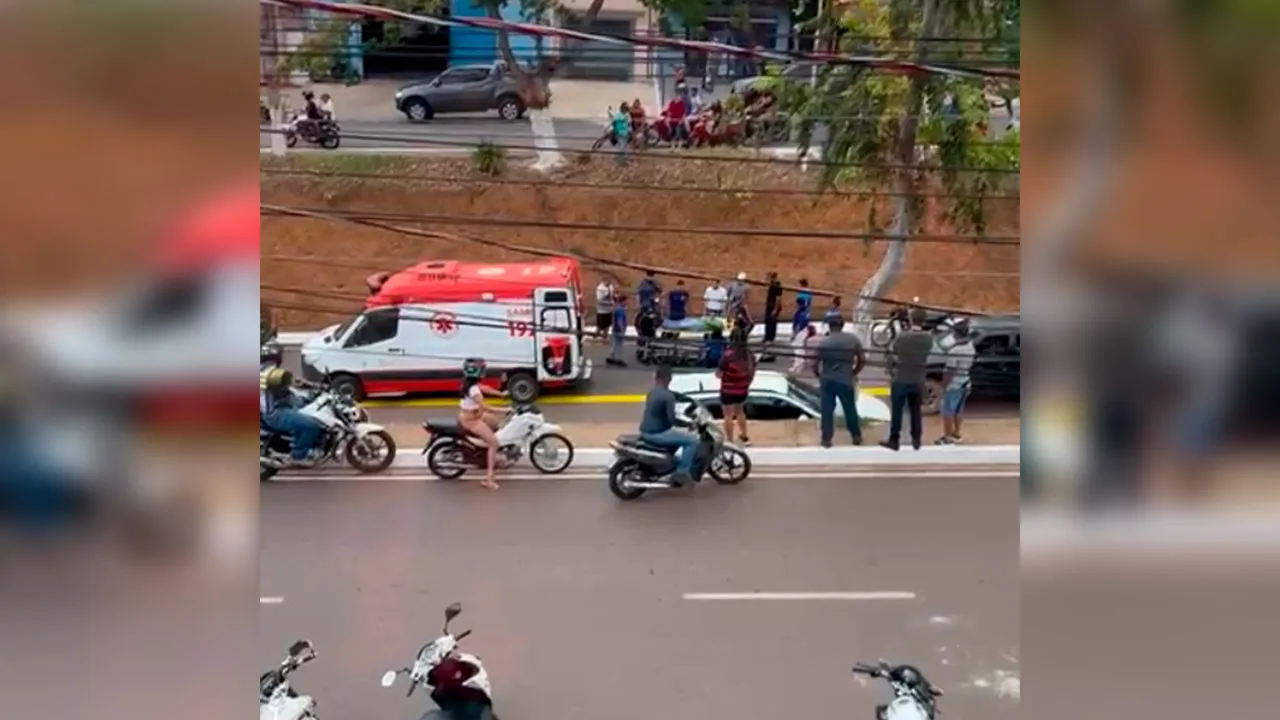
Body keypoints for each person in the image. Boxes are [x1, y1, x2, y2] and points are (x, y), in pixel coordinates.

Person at [880, 308, 933, 451]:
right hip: (918, 379)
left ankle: (894, 439)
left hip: (901, 378)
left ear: (910, 319)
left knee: (897, 411)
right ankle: (916, 439)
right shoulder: (928, 338)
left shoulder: (902, 337)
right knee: (916, 411)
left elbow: (893, 351)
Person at [638, 365, 699, 485]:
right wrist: (688, 424)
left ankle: (670, 465)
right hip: (657, 433)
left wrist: (688, 399)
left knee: (678, 436)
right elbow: (672, 420)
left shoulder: (653, 392)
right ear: (669, 379)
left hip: (645, 430)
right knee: (692, 441)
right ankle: (682, 472)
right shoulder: (667, 397)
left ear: (656, 377)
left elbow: (673, 396)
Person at [458, 358, 510, 490]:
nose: (484, 372)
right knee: (494, 443)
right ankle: (489, 479)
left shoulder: (469, 383)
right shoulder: (473, 389)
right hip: (472, 420)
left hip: (475, 415)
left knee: (495, 422)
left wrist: (501, 394)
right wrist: (505, 410)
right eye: (482, 370)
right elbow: (486, 407)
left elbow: (484, 388)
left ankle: (486, 452)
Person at [815, 317, 866, 448]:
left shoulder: (823, 342)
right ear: (842, 325)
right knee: (850, 408)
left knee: (827, 410)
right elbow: (862, 359)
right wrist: (853, 372)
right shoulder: (852, 340)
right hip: (845, 379)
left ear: (829, 326)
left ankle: (826, 438)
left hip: (827, 380)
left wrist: (820, 376)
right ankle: (856, 436)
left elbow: (814, 364)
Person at [260, 367, 325, 466]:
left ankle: (299, 445)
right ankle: (297, 456)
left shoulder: (271, 382)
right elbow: (294, 397)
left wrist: (311, 388)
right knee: (311, 426)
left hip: (281, 410)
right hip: (277, 414)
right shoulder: (274, 388)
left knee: (305, 419)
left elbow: (296, 396)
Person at [937, 319, 975, 444]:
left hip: (954, 385)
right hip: (966, 382)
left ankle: (947, 437)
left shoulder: (955, 351)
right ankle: (956, 433)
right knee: (959, 410)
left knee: (947, 411)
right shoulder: (970, 346)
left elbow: (949, 371)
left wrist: (943, 385)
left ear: (956, 334)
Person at [717, 329, 757, 445]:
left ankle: (730, 440)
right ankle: (744, 437)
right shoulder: (749, 355)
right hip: (742, 390)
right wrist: (746, 384)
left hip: (727, 390)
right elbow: (752, 373)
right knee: (740, 412)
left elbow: (718, 374)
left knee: (728, 416)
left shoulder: (727, 356)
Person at [762, 272, 783, 355]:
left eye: (768, 278)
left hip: (774, 306)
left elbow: (779, 298)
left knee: (772, 322)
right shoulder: (771, 285)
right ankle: (767, 337)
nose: (767, 279)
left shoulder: (778, 285)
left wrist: (775, 308)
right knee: (767, 321)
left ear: (772, 278)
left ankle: (770, 338)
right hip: (769, 305)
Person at [607, 293, 629, 366]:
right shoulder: (620, 310)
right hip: (619, 330)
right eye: (626, 301)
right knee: (619, 345)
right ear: (622, 301)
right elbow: (620, 320)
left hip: (615, 329)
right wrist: (622, 329)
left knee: (615, 344)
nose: (627, 303)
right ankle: (618, 359)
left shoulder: (617, 308)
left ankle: (611, 356)